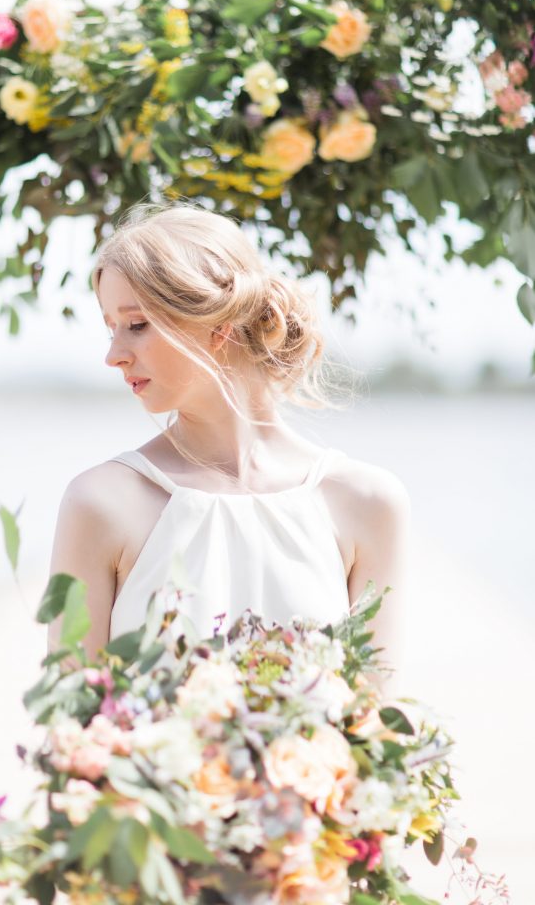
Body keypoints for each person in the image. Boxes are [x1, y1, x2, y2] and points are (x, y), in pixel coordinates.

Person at [47, 202, 411, 688]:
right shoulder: (99, 503)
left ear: (217, 326)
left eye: (136, 325)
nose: (113, 355)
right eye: (110, 328)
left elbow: (374, 721)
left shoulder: (366, 503)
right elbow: (72, 725)